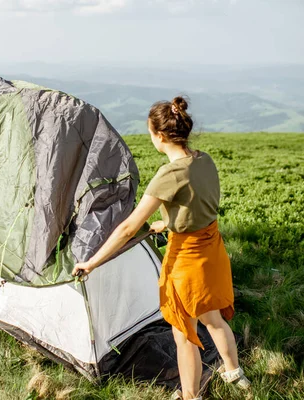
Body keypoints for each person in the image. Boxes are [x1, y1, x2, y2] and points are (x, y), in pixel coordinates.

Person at [71, 97, 250, 400]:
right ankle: (235, 374)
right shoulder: (204, 159)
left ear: (160, 136)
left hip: (187, 260)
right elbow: (197, 202)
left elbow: (128, 227)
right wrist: (167, 222)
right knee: (213, 317)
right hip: (211, 251)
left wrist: (92, 262)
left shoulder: (169, 175)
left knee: (183, 335)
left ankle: (190, 395)